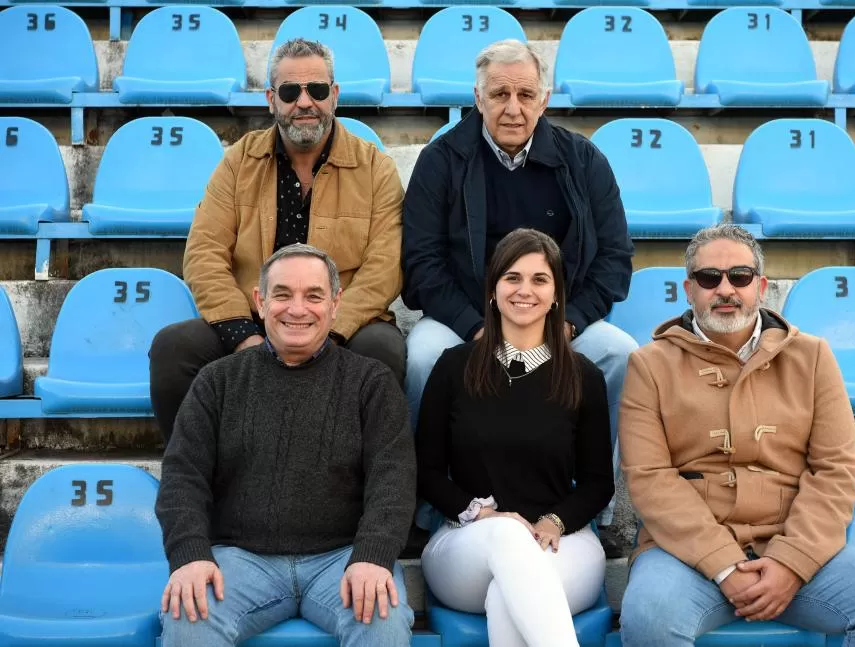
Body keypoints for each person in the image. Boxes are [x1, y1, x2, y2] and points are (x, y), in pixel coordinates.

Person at [617, 224, 855, 645]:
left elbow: (836, 469)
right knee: (649, 615)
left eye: (739, 276)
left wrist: (791, 563)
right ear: (689, 289)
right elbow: (650, 479)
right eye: (709, 278)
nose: (725, 289)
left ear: (760, 286)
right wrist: (723, 564)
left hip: (791, 544)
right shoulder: (649, 365)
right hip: (686, 556)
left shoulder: (812, 357)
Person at [403, 39, 637, 522]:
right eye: (499, 95)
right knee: (425, 354)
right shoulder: (441, 159)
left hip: (555, 317)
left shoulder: (584, 160)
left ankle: (593, 511)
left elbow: (614, 259)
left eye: (526, 95)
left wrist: (568, 323)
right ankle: (431, 511)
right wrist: (477, 330)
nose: (513, 109)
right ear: (477, 97)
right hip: (466, 318)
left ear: (544, 99)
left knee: (617, 351)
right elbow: (422, 263)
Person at [155, 243, 415, 647]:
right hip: (241, 561)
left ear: (335, 303)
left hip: (342, 559)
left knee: (383, 619)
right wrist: (189, 554)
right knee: (188, 616)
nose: (297, 309)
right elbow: (182, 477)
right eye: (282, 295)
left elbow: (393, 479)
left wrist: (373, 555)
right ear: (259, 302)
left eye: (313, 295)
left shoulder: (372, 383)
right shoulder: (216, 381)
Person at [149, 37, 405, 444]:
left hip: (341, 320)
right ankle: (199, 479)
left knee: (384, 350)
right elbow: (204, 253)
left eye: (317, 90)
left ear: (334, 95)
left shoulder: (375, 169)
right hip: (254, 317)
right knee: (174, 348)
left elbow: (385, 268)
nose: (305, 102)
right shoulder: (238, 161)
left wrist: (327, 331)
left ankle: (358, 485)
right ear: (272, 99)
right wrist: (244, 335)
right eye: (290, 91)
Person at [416, 228, 615, 647]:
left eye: (540, 279)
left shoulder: (585, 377)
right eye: (512, 278)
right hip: (464, 539)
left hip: (562, 542)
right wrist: (481, 515)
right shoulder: (453, 367)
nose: (525, 290)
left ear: (558, 293)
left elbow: (598, 482)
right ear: (492, 289)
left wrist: (554, 520)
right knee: (508, 538)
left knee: (509, 596)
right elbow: (427, 471)